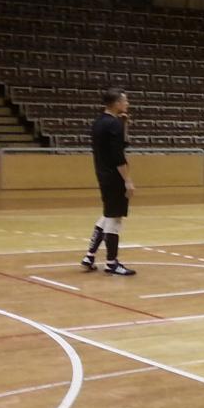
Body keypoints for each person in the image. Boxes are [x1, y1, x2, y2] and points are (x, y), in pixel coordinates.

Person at [82, 87, 137, 275]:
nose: (127, 103)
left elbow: (123, 143)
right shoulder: (113, 124)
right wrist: (127, 180)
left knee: (107, 214)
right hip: (114, 176)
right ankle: (111, 263)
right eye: (125, 100)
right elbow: (118, 155)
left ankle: (90, 255)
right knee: (115, 218)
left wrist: (124, 124)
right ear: (116, 103)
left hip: (102, 173)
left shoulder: (99, 122)